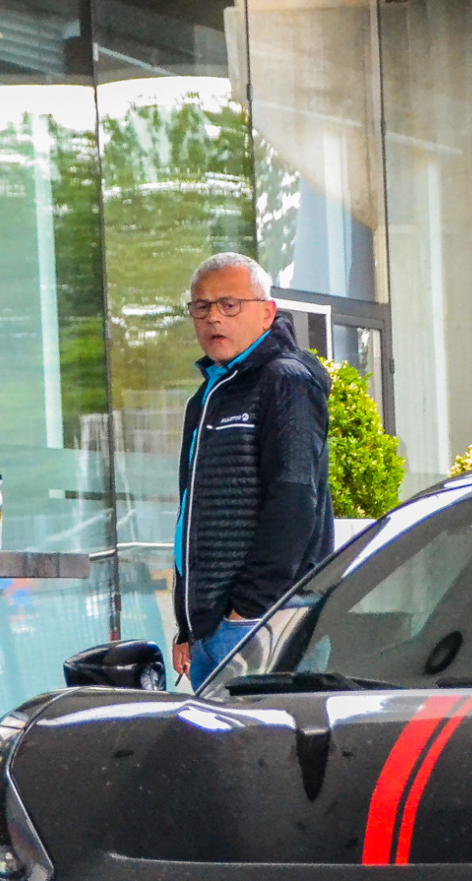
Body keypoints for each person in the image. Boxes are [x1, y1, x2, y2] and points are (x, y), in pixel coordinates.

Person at [172, 253, 333, 685]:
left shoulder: (287, 380)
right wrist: (188, 624)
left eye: (229, 305)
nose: (213, 319)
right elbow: (191, 515)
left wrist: (250, 610)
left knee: (268, 750)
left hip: (265, 623)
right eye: (201, 307)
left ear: (267, 313)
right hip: (211, 629)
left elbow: (295, 498)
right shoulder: (206, 398)